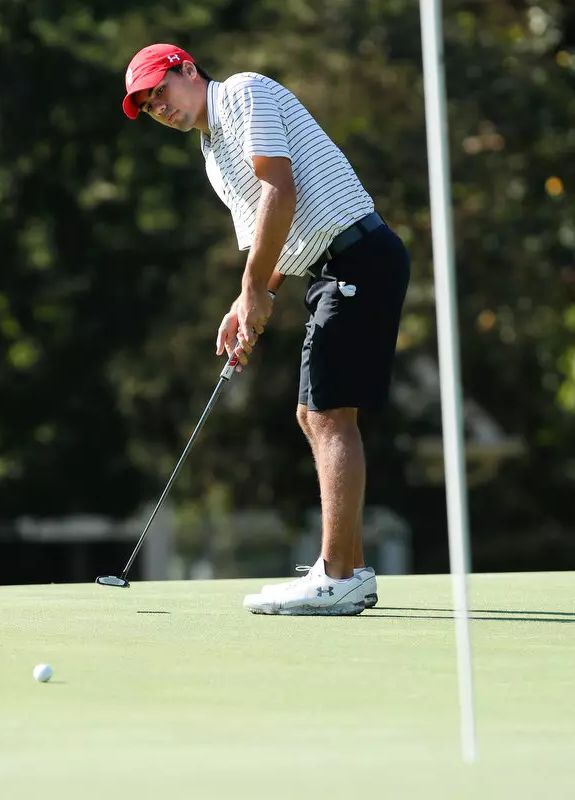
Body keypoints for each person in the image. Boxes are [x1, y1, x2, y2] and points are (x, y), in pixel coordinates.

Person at [122, 43, 411, 615]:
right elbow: (264, 236)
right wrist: (251, 296)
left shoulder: (244, 93)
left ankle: (336, 575)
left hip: (359, 255)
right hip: (336, 267)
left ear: (187, 69)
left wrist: (256, 291)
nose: (162, 109)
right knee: (315, 412)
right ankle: (349, 572)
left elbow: (281, 189)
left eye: (162, 92)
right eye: (151, 108)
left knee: (328, 413)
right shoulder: (212, 153)